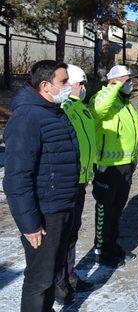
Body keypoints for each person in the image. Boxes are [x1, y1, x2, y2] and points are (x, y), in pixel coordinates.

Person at [3, 61, 78, 312]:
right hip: (44, 213)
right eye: (64, 81)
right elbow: (17, 177)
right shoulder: (27, 117)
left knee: (53, 272)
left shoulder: (53, 111)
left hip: (62, 206)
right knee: (40, 278)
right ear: (45, 86)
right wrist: (30, 224)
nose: (69, 86)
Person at [89, 65, 138, 267]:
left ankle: (112, 245)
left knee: (117, 209)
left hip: (125, 165)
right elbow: (99, 109)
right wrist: (113, 86)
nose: (129, 83)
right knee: (105, 208)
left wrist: (133, 159)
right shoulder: (101, 99)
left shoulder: (125, 104)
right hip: (107, 166)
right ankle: (101, 249)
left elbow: (134, 130)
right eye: (125, 79)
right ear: (113, 82)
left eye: (130, 80)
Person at [54, 64, 96, 304]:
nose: (82, 89)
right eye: (79, 84)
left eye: (82, 85)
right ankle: (59, 283)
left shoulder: (81, 108)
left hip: (81, 179)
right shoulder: (64, 109)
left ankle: (69, 275)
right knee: (62, 235)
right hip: (67, 181)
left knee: (72, 233)